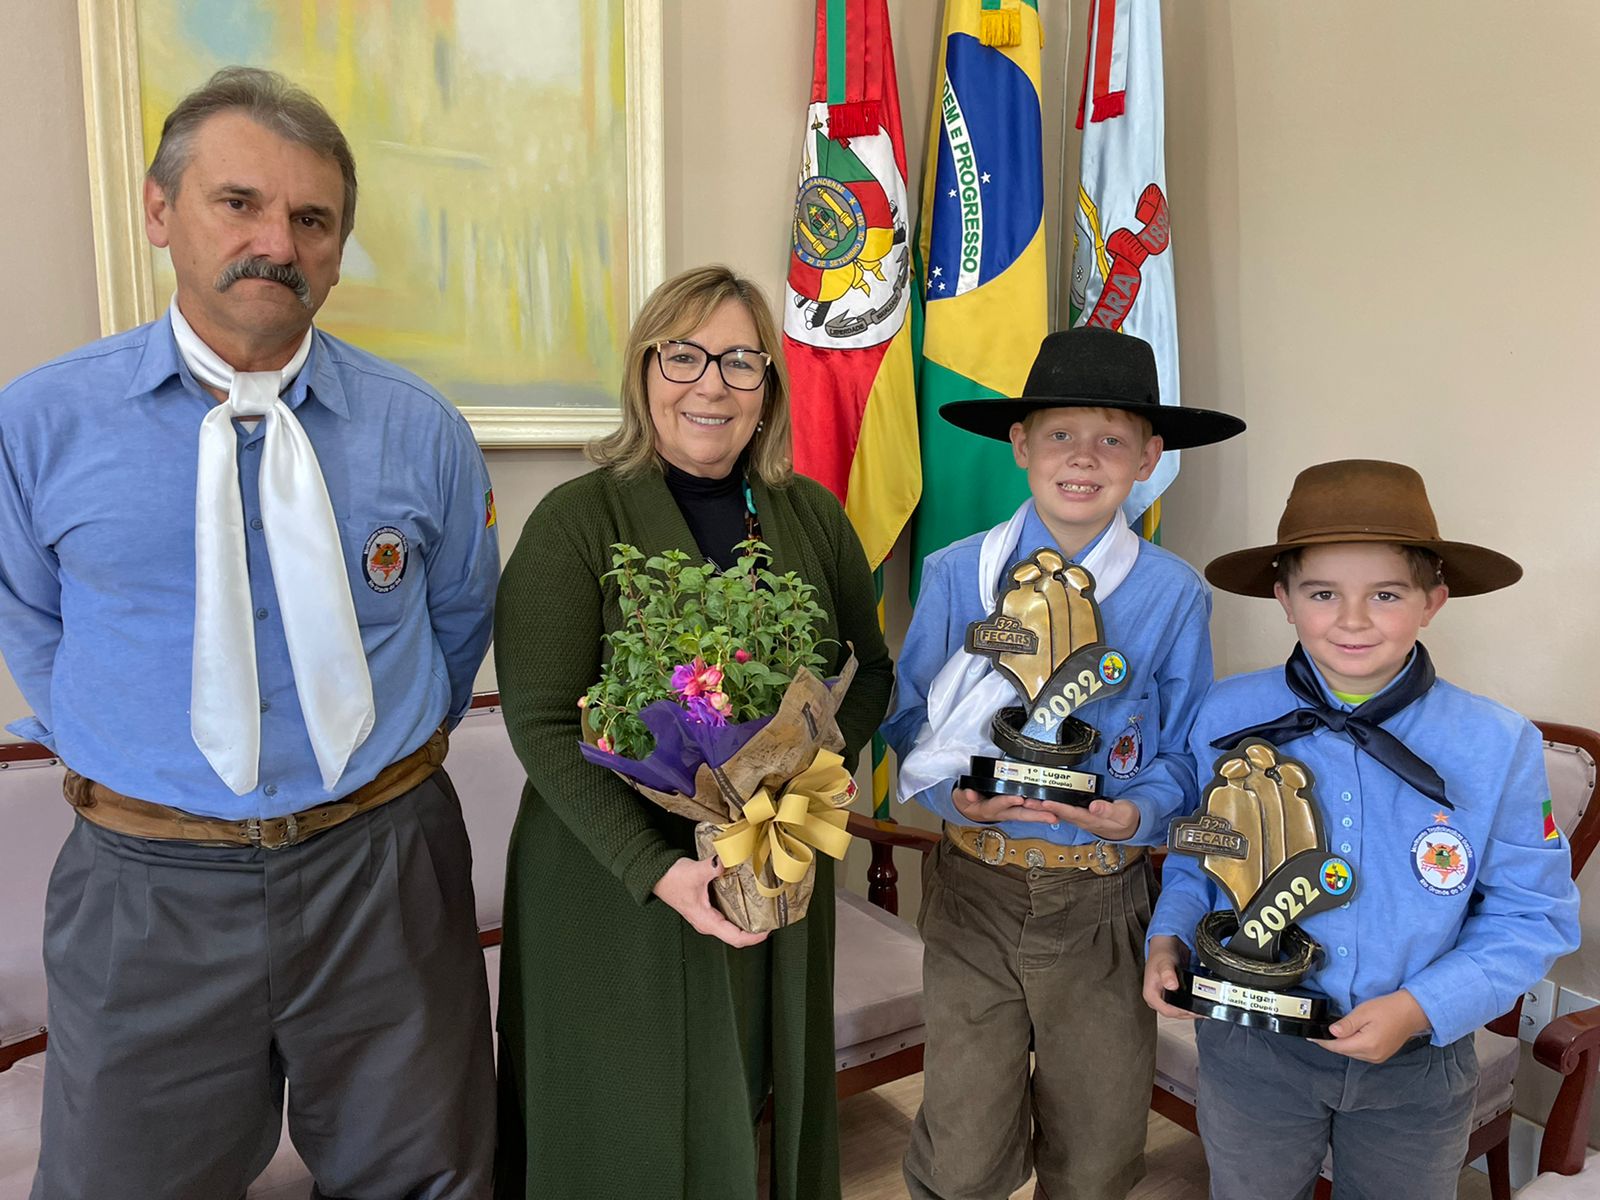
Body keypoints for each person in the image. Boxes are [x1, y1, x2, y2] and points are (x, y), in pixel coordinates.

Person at [0, 68, 498, 1199]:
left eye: (311, 220)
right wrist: (135, 757)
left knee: (428, 1176)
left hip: (385, 870)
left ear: (335, 248)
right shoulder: (40, 424)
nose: (277, 241)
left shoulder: (420, 432)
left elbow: (458, 620)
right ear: (161, 210)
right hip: (147, 890)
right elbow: (29, 619)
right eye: (241, 203)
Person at [492, 265, 893, 1200]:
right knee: (620, 1126)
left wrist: (803, 786)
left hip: (768, 862)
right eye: (685, 355)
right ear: (645, 373)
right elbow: (543, 723)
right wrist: (657, 865)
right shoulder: (576, 522)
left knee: (748, 1097)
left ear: (769, 390)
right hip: (609, 883)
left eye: (741, 361)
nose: (711, 383)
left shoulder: (813, 518)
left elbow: (866, 672)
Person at [1143, 458, 1581, 1200]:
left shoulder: (1497, 743)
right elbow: (1200, 860)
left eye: (1385, 594)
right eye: (1322, 593)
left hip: (1417, 1061)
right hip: (1252, 1051)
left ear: (1432, 602)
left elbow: (1531, 915)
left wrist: (1420, 1007)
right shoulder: (1223, 717)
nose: (1351, 620)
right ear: (1284, 599)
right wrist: (1169, 935)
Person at [882, 327, 1245, 1200]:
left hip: (1104, 901)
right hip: (975, 890)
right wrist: (959, 800)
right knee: (963, 1148)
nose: (1084, 458)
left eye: (1114, 438)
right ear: (1019, 446)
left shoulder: (1172, 592)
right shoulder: (954, 575)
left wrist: (1141, 814)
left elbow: (1188, 752)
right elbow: (906, 722)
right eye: (1059, 434)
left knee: (1098, 1147)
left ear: (1150, 455)